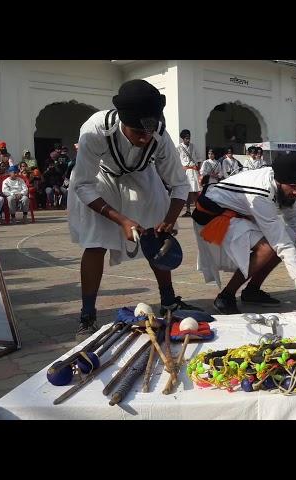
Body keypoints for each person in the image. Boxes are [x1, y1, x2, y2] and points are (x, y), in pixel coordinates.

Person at [68, 79, 196, 340]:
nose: (145, 137)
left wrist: (169, 221)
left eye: (149, 132)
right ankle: (87, 315)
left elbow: (179, 184)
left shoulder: (158, 135)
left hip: (141, 176)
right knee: (96, 242)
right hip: (100, 180)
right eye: (138, 132)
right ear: (122, 121)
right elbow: (82, 185)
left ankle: (169, 302)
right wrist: (122, 220)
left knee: (156, 237)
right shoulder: (94, 129)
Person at [192, 152, 296, 317]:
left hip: (238, 213)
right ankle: (225, 297)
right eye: (294, 187)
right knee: (269, 248)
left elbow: (293, 215)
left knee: (289, 238)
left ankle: (252, 291)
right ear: (280, 181)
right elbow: (280, 243)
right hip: (215, 216)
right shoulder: (260, 193)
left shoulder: (283, 183)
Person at [177, 129, 203, 217]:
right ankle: (188, 211)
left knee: (196, 192)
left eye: (189, 138)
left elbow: (199, 158)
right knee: (188, 192)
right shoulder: (179, 148)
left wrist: (198, 168)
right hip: (185, 172)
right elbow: (176, 161)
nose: (188, 140)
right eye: (186, 138)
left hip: (194, 171)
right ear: (183, 139)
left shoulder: (193, 146)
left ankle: (198, 210)